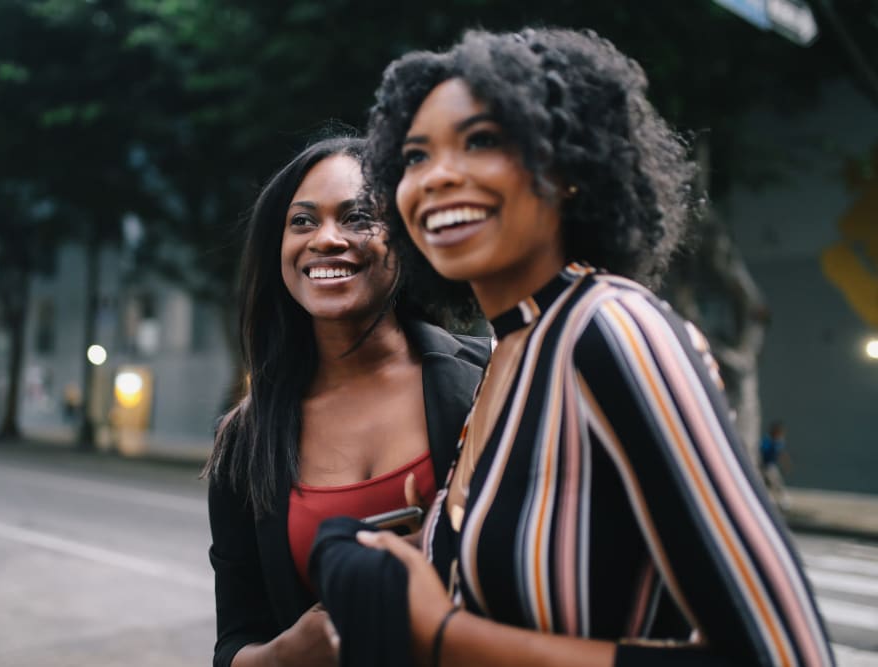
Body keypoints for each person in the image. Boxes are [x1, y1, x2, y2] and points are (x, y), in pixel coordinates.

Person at [320, 28, 834, 666]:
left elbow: (785, 655)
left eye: (481, 141)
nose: (438, 177)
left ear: (568, 168)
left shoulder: (611, 327)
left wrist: (447, 636)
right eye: (416, 157)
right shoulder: (508, 351)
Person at [203, 135, 490, 667]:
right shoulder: (245, 439)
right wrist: (290, 653)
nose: (326, 239)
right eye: (303, 222)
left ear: (404, 239)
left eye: (358, 217)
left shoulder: (493, 380)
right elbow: (235, 641)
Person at [760, 421, 792, 508]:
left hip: (771, 466)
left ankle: (783, 501)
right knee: (767, 484)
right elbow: (762, 452)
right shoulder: (767, 441)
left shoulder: (778, 441)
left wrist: (786, 464)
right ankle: (768, 500)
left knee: (777, 484)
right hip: (765, 466)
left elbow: (781, 454)